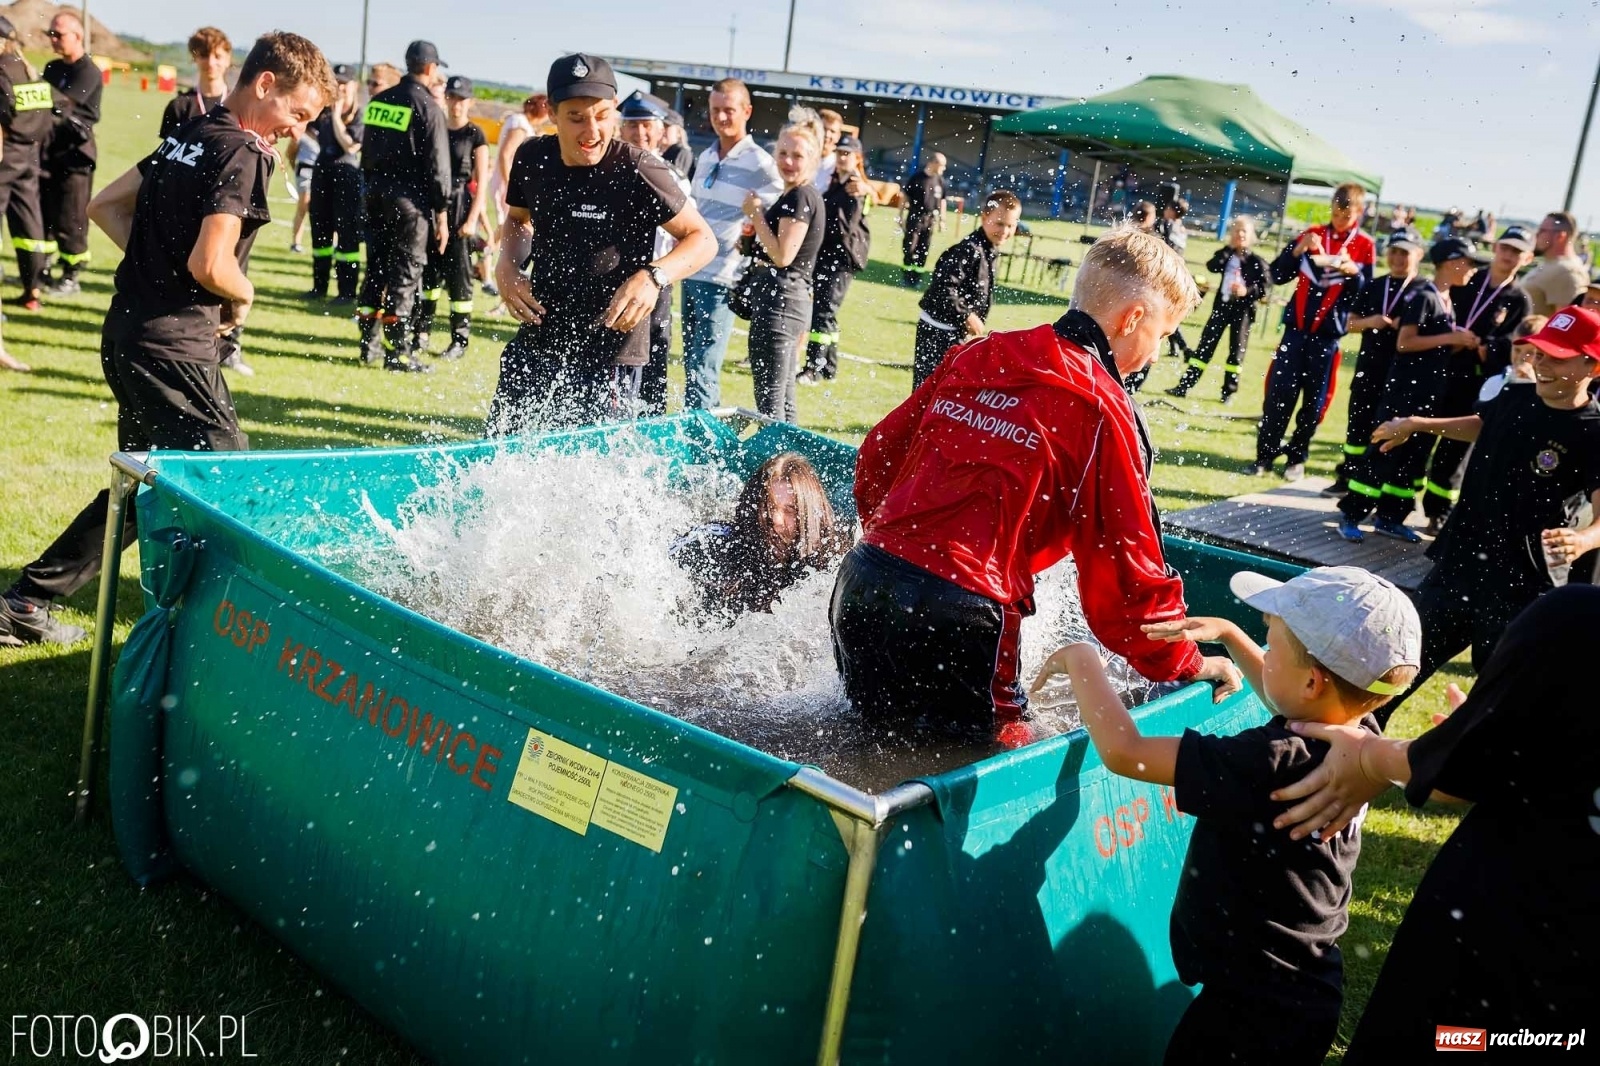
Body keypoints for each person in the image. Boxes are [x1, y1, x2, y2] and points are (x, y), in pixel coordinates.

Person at [830, 228, 1242, 737]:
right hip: (966, 612)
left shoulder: (980, 353)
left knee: (861, 742)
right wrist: (1186, 662)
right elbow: (1130, 563)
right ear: (1132, 317)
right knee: (996, 764)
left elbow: (877, 456)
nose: (1155, 355)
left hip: (863, 581)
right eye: (1159, 336)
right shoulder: (1102, 406)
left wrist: (901, 544)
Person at [0, 33, 332, 646]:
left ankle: (28, 601)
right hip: (173, 348)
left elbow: (105, 206)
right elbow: (212, 263)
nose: (294, 130)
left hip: (127, 331)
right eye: (297, 112)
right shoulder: (242, 151)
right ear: (265, 86)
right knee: (227, 482)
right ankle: (234, 632)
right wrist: (243, 294)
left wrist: (163, 270)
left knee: (146, 483)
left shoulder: (191, 132)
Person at [1033, 566, 1420, 1066]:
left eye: (1272, 643)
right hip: (1300, 989)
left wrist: (1084, 661)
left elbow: (1125, 752)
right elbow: (1291, 695)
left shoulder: (1267, 760)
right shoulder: (1351, 733)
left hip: (1249, 1015)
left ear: (1312, 680)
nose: (1266, 649)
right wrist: (1234, 638)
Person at [1267, 584, 1599, 1063]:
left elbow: (1459, 773)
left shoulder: (1578, 623)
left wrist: (1369, 758)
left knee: (1443, 1041)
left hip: (1495, 963)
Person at [1357, 308, 1600, 696]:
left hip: (1521, 586)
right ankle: (1344, 749)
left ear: (1594, 365)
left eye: (1558, 357)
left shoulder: (1592, 431)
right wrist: (1417, 424)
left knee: (1495, 702)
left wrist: (1585, 539)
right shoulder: (1515, 395)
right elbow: (1482, 425)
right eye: (1539, 353)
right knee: (1390, 675)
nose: (1542, 364)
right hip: (1458, 564)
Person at [486, 54, 714, 433]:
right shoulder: (532, 156)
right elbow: (516, 220)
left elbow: (703, 239)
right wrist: (507, 267)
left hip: (611, 355)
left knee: (591, 476)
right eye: (576, 117)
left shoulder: (639, 168)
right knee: (500, 456)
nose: (592, 130)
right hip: (538, 339)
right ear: (553, 114)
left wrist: (654, 276)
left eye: (604, 115)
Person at [1336, 237, 1486, 543]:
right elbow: (1405, 342)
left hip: (1428, 394)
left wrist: (1458, 339)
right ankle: (1353, 513)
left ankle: (1391, 516)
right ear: (1449, 263)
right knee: (1384, 449)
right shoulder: (1425, 296)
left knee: (1411, 458)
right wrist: (1450, 339)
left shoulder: (1446, 299)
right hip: (1404, 392)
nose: (1471, 270)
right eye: (1468, 263)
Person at [1251, 183, 1375, 480]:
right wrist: (1297, 250)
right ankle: (1264, 456)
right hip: (1295, 333)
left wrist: (1353, 273)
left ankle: (1297, 457)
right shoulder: (1314, 233)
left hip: (1327, 338)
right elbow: (1277, 275)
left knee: (1314, 402)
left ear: (1359, 212)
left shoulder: (1364, 245)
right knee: (1278, 394)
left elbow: (1366, 295)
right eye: (1336, 212)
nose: (1340, 219)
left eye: (1346, 215)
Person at [1413, 226, 1533, 530]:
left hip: (1478, 381)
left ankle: (1437, 513)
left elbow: (1513, 344)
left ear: (1528, 257)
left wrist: (1481, 345)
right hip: (1442, 370)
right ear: (1495, 248)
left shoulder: (1519, 299)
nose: (1508, 255)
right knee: (1419, 437)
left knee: (1454, 452)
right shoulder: (1468, 278)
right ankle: (1396, 506)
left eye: (1517, 252)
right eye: (1505, 247)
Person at [681, 78, 781, 410]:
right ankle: (697, 432)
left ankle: (705, 450)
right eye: (715, 110)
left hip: (723, 277)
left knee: (704, 368)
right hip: (692, 270)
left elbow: (779, 211)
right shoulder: (707, 155)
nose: (721, 117)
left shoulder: (760, 162)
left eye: (729, 110)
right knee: (692, 366)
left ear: (747, 111)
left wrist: (753, 230)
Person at [356, 40, 451, 373]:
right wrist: (441, 213)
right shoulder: (428, 107)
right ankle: (399, 355)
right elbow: (439, 168)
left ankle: (367, 346)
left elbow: (365, 152)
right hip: (411, 205)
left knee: (375, 271)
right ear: (429, 68)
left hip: (375, 196)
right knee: (405, 276)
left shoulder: (380, 101)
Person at [672, 452, 846, 618]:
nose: (777, 520)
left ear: (809, 517)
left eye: (790, 510)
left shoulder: (830, 564)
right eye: (769, 506)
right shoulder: (718, 544)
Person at [738, 110, 826, 424]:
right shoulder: (797, 195)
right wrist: (753, 235)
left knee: (770, 404)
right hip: (787, 302)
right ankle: (793, 471)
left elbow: (783, 256)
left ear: (814, 159)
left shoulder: (800, 196)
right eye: (783, 153)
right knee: (783, 401)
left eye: (797, 156)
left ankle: (778, 472)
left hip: (781, 304)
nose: (787, 161)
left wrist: (755, 214)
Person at [1323, 229, 1428, 492]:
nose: (1397, 258)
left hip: (1403, 373)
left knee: (1389, 427)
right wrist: (1371, 322)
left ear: (1419, 254)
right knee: (1358, 424)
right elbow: (1349, 323)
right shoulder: (1374, 285)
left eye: (1404, 253)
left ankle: (1378, 481)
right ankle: (1347, 475)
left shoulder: (1424, 290)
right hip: (1369, 368)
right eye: (1393, 251)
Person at [616, 90, 689, 413]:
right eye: (632, 125)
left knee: (652, 372)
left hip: (657, 283)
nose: (640, 133)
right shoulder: (609, 172)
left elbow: (691, 237)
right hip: (613, 280)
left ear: (661, 131)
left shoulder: (673, 179)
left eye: (647, 125)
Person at [909, 190, 1021, 389]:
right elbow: (943, 287)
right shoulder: (968, 249)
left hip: (956, 331)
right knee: (929, 392)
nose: (1005, 231)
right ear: (985, 217)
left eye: (1011, 226)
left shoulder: (990, 251)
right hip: (938, 331)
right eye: (1000, 223)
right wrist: (967, 315)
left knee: (950, 392)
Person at [410, 75, 488, 360]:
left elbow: (482, 182)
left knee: (460, 279)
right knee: (429, 275)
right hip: (433, 204)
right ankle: (422, 332)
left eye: (462, 99)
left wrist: (472, 220)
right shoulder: (436, 127)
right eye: (452, 98)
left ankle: (460, 339)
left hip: (461, 206)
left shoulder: (475, 134)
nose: (456, 104)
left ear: (470, 102)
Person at [1165, 215, 1270, 401]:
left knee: (1236, 353)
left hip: (1243, 312)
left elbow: (1265, 287)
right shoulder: (1226, 254)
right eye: (1236, 230)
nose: (1240, 234)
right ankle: (1184, 386)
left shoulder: (1256, 261)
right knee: (1205, 347)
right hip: (1222, 308)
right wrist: (1230, 248)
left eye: (1243, 231)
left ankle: (1228, 392)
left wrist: (1247, 291)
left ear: (1251, 235)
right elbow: (1212, 266)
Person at [798, 132, 872, 385]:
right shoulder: (834, 181)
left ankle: (813, 369)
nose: (842, 157)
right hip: (827, 254)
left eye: (847, 153)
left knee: (823, 313)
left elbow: (845, 225)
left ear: (857, 158)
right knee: (827, 312)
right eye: (839, 152)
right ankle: (829, 366)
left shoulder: (854, 185)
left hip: (841, 258)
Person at [38, 9, 101, 296]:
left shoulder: (88, 71)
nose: (52, 39)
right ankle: (43, 271)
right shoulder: (52, 67)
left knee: (71, 218)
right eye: (49, 33)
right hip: (48, 151)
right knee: (44, 214)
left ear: (78, 36)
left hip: (76, 156)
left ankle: (71, 276)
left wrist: (42, 100)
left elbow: (63, 106)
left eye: (58, 34)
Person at [0, 16, 53, 312]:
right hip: (30, 157)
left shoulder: (1, 71)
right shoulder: (31, 71)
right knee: (29, 226)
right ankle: (33, 289)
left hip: (5, 155)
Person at [306, 64, 364, 302]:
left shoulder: (359, 114)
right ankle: (319, 287)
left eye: (344, 83)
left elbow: (350, 145)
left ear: (354, 86)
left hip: (347, 176)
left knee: (347, 235)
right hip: (323, 173)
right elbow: (308, 131)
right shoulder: (325, 112)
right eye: (337, 82)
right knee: (320, 233)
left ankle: (346, 292)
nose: (340, 88)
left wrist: (339, 116)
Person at [490, 93, 549, 231]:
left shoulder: (524, 124)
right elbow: (505, 155)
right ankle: (488, 248)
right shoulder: (520, 125)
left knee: (509, 224)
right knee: (508, 223)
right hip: (507, 180)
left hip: (512, 180)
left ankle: (488, 248)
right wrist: (509, 184)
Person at [1523, 211, 1589, 317]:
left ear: (1560, 236)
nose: (1536, 235)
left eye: (1542, 231)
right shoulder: (1553, 265)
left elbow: (1565, 324)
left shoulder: (1568, 271)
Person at [897, 152, 945, 287]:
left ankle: (916, 279)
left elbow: (942, 201)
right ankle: (906, 277)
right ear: (933, 163)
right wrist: (900, 216)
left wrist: (942, 220)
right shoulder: (917, 178)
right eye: (942, 165)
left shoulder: (940, 181)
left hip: (930, 219)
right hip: (915, 217)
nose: (944, 168)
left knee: (923, 249)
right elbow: (904, 197)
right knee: (910, 248)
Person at [811, 108, 843, 191]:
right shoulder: (800, 158)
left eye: (832, 131)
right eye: (823, 129)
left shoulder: (840, 165)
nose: (827, 135)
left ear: (838, 136)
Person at [659, 112, 693, 178]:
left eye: (666, 126)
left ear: (679, 133)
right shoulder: (660, 152)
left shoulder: (682, 152)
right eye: (661, 126)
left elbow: (675, 180)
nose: (663, 130)